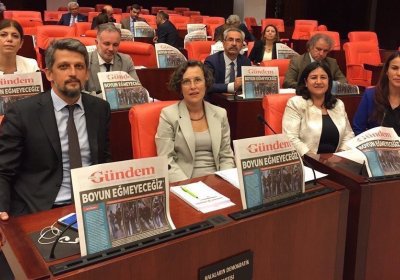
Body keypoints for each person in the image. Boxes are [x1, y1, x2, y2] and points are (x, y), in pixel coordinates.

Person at [0, 38, 111, 218]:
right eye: (64, 67)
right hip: (40, 208)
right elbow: (3, 170)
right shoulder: (22, 113)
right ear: (49, 73)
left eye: (79, 66)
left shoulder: (100, 108)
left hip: (91, 204)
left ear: (87, 73)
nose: (73, 73)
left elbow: (104, 159)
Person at [156, 60, 235, 183]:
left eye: (198, 80)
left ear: (206, 83)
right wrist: (188, 186)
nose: (193, 86)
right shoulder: (168, 115)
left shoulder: (220, 114)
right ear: (180, 87)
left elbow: (226, 156)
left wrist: (225, 182)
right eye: (186, 82)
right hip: (185, 182)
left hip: (218, 180)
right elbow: (166, 160)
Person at [282, 61, 354, 156]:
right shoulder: (296, 103)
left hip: (336, 162)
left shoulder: (338, 104)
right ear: (305, 82)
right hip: (308, 162)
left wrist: (340, 157)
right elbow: (290, 137)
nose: (319, 82)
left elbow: (348, 135)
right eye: (314, 77)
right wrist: (314, 159)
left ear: (329, 81)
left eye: (323, 77)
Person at [353, 51, 400, 135]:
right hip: (373, 147)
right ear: (387, 71)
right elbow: (358, 128)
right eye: (394, 68)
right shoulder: (370, 95)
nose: (399, 73)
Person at [86, 23, 141, 94]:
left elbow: (138, 91)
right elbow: (79, 93)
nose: (111, 49)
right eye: (107, 44)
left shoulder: (126, 61)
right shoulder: (85, 61)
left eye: (115, 45)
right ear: (96, 43)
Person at [204, 27, 251, 94]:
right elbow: (207, 85)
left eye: (238, 40)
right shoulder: (212, 61)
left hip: (237, 100)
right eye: (230, 39)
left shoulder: (246, 62)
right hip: (217, 99)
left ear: (242, 45)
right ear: (223, 43)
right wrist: (232, 86)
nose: (234, 44)